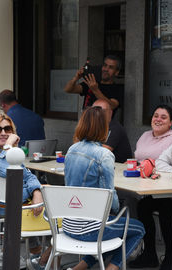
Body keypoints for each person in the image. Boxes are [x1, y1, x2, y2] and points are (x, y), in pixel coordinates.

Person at [62, 106, 145, 270]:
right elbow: (110, 199)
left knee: (113, 231)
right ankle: (111, 268)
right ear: (104, 128)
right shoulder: (104, 155)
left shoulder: (72, 150)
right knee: (137, 228)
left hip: (68, 225)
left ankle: (79, 268)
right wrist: (117, 207)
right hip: (91, 229)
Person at [0, 113, 44, 268]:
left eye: (7, 129)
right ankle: (42, 256)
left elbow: (29, 176)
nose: (3, 133)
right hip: (6, 207)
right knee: (57, 215)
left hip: (14, 206)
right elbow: (6, 170)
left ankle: (36, 254)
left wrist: (37, 192)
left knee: (44, 199)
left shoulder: (13, 154)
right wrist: (9, 146)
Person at [129, 105, 172, 270]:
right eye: (155, 116)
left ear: (171, 123)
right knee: (142, 206)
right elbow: (138, 158)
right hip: (151, 187)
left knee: (167, 212)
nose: (158, 119)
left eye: (163, 117)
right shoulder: (145, 135)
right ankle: (149, 255)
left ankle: (170, 258)